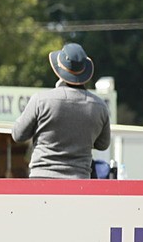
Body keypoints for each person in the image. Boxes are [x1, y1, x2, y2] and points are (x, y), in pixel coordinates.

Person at [12, 43, 110, 179]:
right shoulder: (99, 107)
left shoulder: (41, 100)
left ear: (59, 72)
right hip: (79, 182)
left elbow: (18, 135)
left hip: (42, 179)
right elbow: (103, 144)